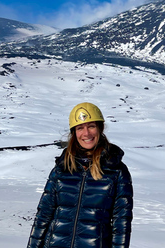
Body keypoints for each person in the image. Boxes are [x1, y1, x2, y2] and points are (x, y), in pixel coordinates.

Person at [27, 102, 133, 248]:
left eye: (91, 126)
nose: (86, 133)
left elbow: (121, 224)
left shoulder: (116, 170)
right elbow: (43, 216)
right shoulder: (61, 169)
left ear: (100, 128)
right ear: (74, 132)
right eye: (80, 128)